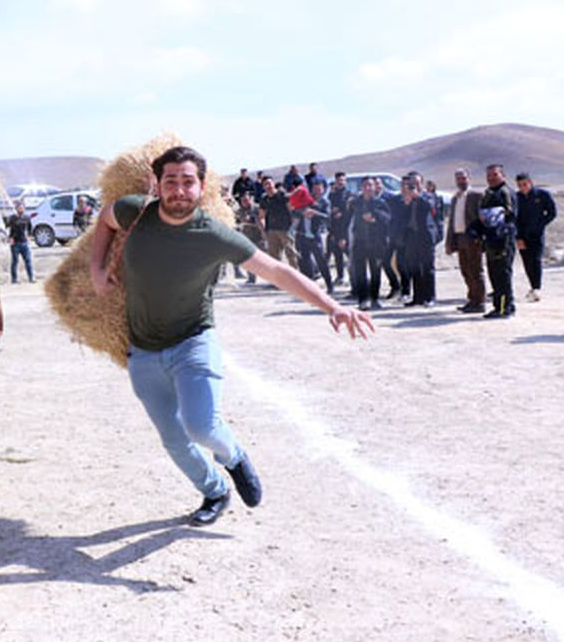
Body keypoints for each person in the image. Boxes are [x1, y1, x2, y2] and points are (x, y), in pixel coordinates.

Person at [89, 146, 373, 527]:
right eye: (170, 181)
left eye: (187, 182)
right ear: (157, 184)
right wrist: (96, 267)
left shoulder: (213, 235)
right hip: (142, 354)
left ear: (201, 186)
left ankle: (235, 457)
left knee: (201, 425)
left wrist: (332, 307)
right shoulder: (134, 212)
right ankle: (215, 491)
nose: (178, 190)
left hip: (193, 342)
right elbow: (104, 222)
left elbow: (275, 269)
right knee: (174, 440)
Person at [343, 176, 391, 310]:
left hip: (376, 243)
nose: (368, 188)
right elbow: (347, 220)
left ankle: (375, 299)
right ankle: (362, 300)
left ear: (375, 187)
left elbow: (388, 220)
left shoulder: (380, 203)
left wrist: (375, 217)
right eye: (365, 185)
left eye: (370, 185)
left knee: (375, 271)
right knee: (360, 272)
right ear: (361, 187)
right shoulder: (355, 203)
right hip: (359, 242)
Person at [477, 163, 518, 318]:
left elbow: (510, 215)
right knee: (494, 273)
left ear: (503, 175)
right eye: (489, 175)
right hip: (490, 239)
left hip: (503, 239)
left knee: (502, 274)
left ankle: (505, 308)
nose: (491, 178)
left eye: (495, 175)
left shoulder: (506, 192)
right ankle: (499, 306)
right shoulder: (488, 193)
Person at [445, 169, 486, 313]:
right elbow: (452, 221)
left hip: (472, 238)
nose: (461, 181)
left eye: (463, 178)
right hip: (459, 237)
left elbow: (482, 219)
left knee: (476, 270)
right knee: (465, 270)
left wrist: (480, 237)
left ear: (469, 178)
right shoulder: (455, 198)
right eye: (458, 179)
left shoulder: (476, 196)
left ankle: (480, 301)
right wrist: (450, 241)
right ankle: (472, 299)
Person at [514, 173, 557, 302]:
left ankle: (537, 288)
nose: (523, 187)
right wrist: (518, 237)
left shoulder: (542, 195)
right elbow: (514, 219)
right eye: (520, 185)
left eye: (525, 184)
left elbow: (552, 212)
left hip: (537, 235)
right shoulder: (517, 198)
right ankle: (532, 286)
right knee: (527, 262)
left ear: (530, 182)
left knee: (536, 260)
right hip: (522, 236)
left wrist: (540, 224)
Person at [399, 175, 439, 307]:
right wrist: (407, 202)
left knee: (427, 267)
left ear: (421, 183)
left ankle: (430, 297)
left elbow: (430, 207)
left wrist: (418, 196)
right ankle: (418, 297)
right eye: (411, 183)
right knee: (414, 267)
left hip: (425, 236)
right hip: (411, 236)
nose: (413, 185)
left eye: (416, 182)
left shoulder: (428, 196)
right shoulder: (408, 197)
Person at [291, 181, 334, 293]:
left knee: (321, 261)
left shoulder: (325, 202)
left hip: (315, 235)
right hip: (302, 234)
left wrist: (315, 213)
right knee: (303, 260)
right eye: (315, 189)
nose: (317, 191)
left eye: (319, 189)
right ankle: (308, 287)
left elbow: (327, 217)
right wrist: (302, 212)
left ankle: (329, 284)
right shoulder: (305, 199)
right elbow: (294, 212)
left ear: (323, 189)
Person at [258, 176, 298, 270]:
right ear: (263, 187)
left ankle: (296, 277)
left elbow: (292, 211)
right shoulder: (264, 199)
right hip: (271, 230)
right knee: (274, 257)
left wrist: (292, 229)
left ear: (273, 183)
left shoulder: (282, 195)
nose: (268, 186)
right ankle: (278, 280)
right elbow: (261, 216)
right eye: (265, 184)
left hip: (285, 229)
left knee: (291, 254)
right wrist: (264, 231)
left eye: (269, 183)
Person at [233, 192, 264, 284]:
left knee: (263, 257)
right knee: (249, 258)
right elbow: (237, 221)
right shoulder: (239, 211)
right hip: (247, 237)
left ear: (250, 199)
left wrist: (254, 219)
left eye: (247, 200)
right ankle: (251, 277)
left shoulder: (257, 208)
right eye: (243, 201)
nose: (245, 202)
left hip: (259, 236)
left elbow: (262, 218)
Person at [326, 172, 350, 286]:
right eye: (338, 180)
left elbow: (350, 213)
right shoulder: (332, 195)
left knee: (350, 254)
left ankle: (356, 276)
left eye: (342, 180)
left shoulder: (349, 195)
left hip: (345, 228)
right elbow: (329, 209)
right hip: (334, 228)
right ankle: (340, 276)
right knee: (337, 254)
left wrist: (342, 213)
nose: (340, 182)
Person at [5, 200, 35, 283]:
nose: (21, 209)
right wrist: (10, 238)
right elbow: (7, 228)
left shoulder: (27, 217)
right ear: (16, 209)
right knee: (15, 262)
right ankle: (14, 279)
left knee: (28, 260)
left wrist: (29, 236)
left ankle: (31, 277)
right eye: (19, 208)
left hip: (24, 242)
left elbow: (30, 228)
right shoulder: (12, 218)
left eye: (22, 208)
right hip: (15, 243)